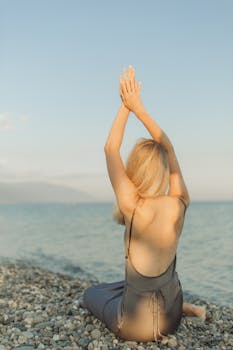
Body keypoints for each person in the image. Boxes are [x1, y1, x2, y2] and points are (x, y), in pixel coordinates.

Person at [82, 65, 206, 342]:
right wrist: (140, 109)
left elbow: (110, 148)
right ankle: (188, 308)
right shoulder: (180, 203)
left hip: (135, 327)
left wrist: (126, 106)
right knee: (134, 284)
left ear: (134, 169)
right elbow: (169, 148)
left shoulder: (132, 205)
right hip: (170, 318)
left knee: (92, 294)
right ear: (162, 169)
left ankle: (186, 309)